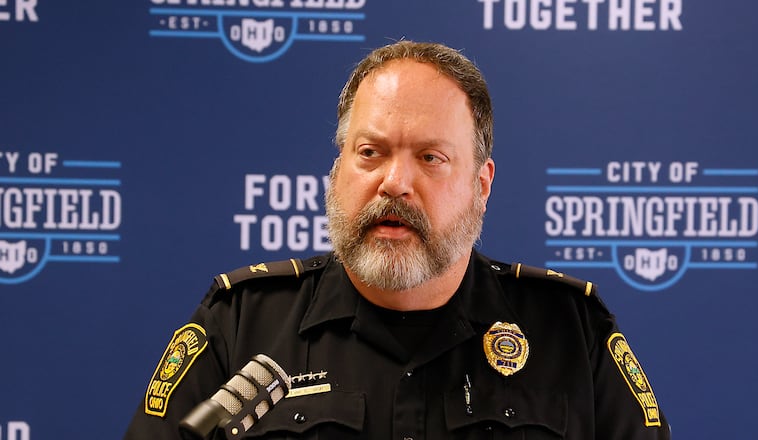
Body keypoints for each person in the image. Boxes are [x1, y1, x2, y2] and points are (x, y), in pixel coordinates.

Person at [124, 40, 670, 439]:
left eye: (430, 157)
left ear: (480, 185)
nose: (395, 182)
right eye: (370, 153)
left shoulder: (571, 331)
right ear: (337, 171)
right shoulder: (242, 323)